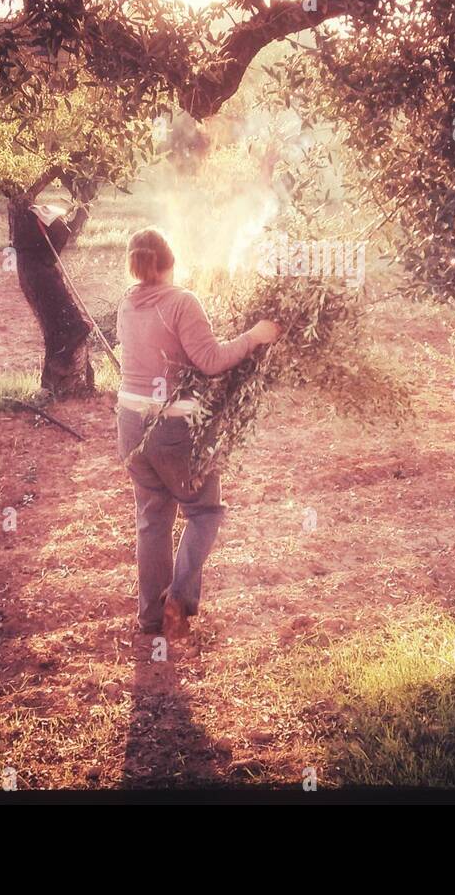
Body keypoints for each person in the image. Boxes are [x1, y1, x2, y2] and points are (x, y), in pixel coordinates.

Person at [115, 228, 280, 639]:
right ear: (171, 262)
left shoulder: (126, 302)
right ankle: (180, 597)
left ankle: (151, 619)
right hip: (173, 429)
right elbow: (210, 360)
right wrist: (255, 336)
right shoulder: (181, 301)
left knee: (153, 519)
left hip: (130, 425)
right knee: (204, 511)